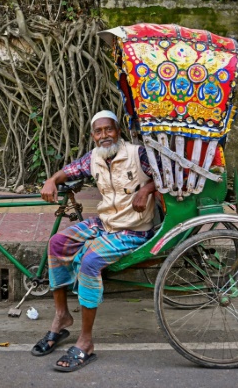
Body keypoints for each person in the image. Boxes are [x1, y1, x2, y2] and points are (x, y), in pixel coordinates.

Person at [31, 110, 158, 372]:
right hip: (104, 223)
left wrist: (146, 189)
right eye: (98, 132)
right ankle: (61, 317)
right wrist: (52, 180)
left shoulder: (138, 154)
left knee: (89, 262)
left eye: (108, 130)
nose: (104, 136)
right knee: (57, 244)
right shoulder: (94, 158)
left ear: (118, 131)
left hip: (133, 230)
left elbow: (166, 176)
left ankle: (86, 342)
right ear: (93, 136)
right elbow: (68, 170)